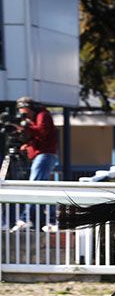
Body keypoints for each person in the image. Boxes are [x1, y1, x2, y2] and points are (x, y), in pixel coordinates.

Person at [10, 96, 59, 232]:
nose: (25, 115)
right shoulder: (33, 119)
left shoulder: (43, 115)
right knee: (43, 188)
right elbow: (36, 136)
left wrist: (26, 125)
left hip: (45, 155)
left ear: (32, 109)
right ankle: (52, 221)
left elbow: (42, 132)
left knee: (34, 185)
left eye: (26, 112)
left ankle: (25, 219)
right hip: (40, 154)